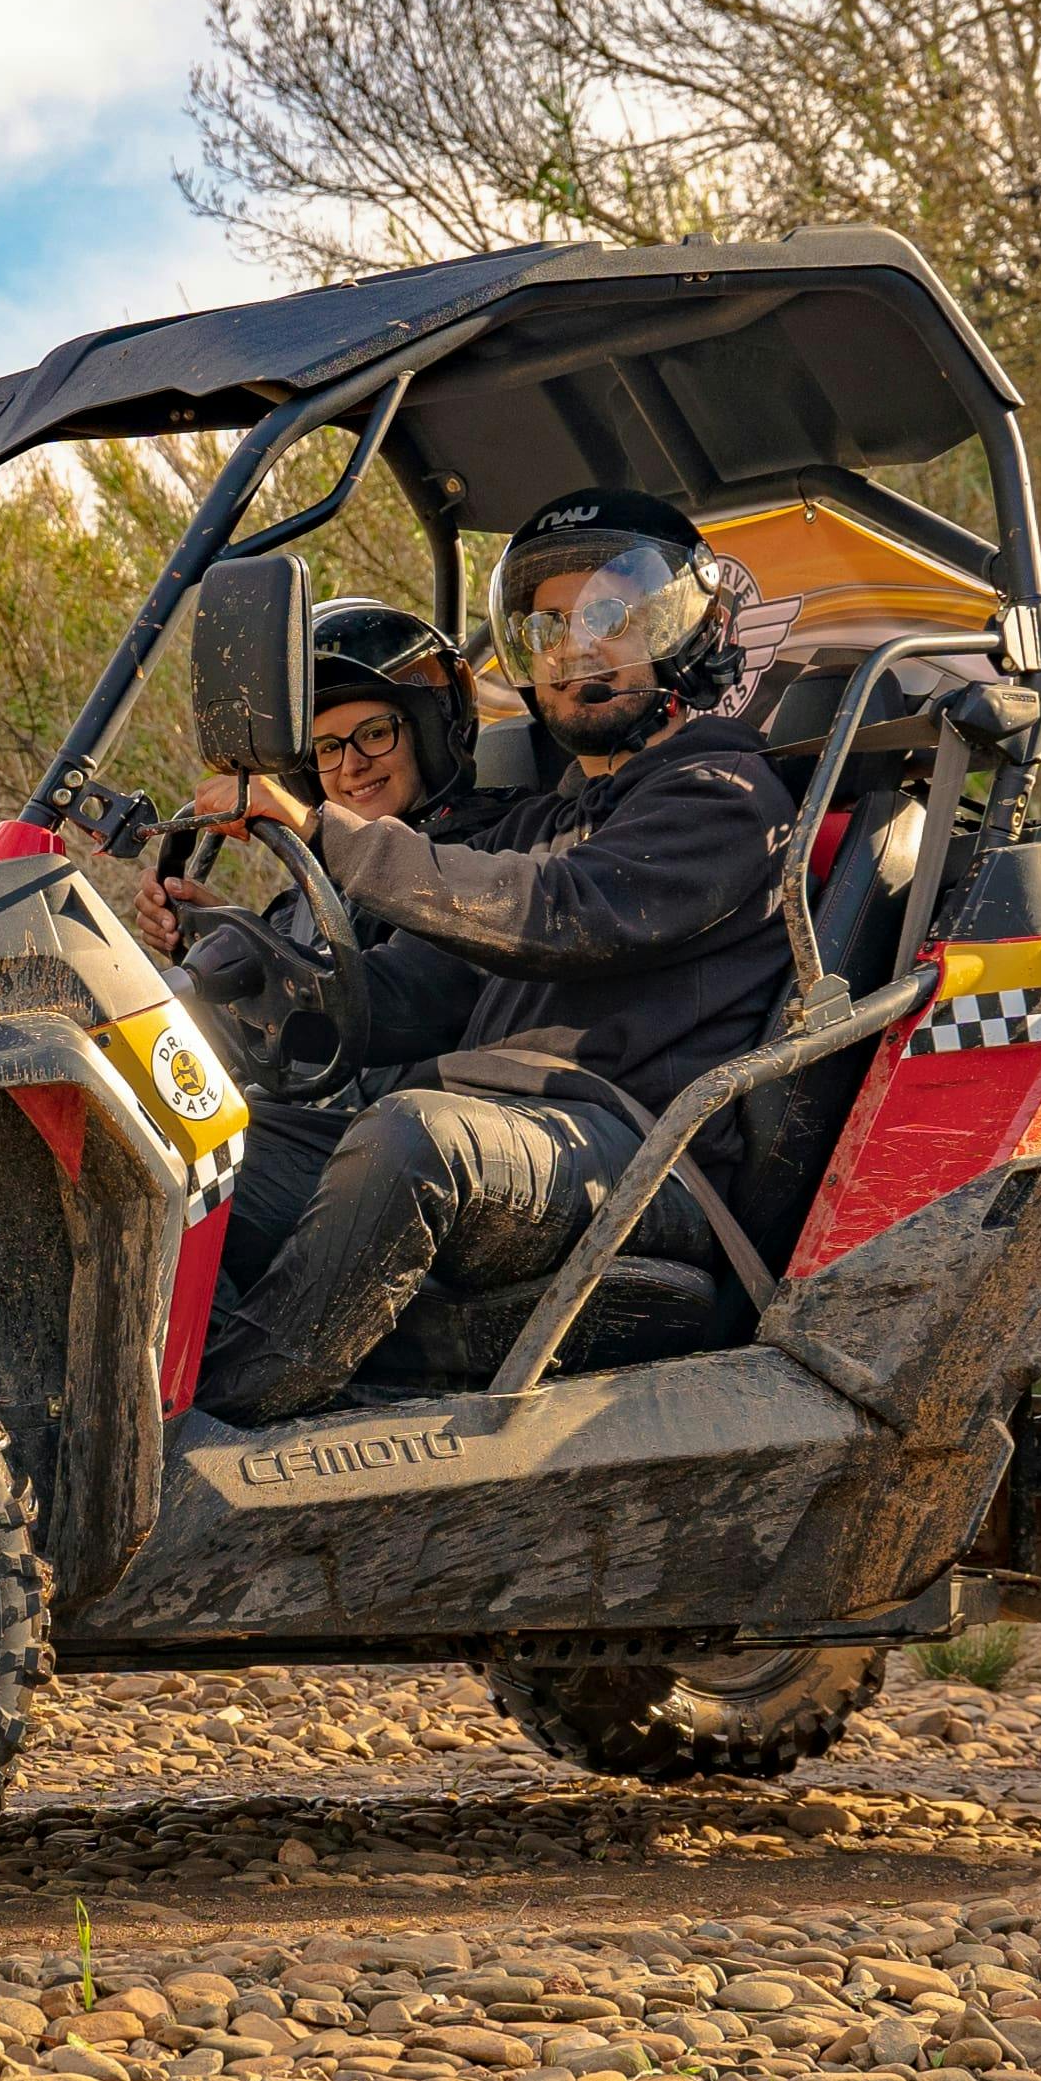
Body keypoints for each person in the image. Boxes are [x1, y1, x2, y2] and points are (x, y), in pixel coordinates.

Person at [184, 490, 796, 1427]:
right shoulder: (543, 821)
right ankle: (161, 1389)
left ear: (687, 630)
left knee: (413, 1137)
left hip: (641, 1159)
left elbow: (555, 912)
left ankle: (216, 1427)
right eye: (548, 625)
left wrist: (321, 827)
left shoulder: (721, 794)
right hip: (511, 1136)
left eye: (607, 617)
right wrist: (231, 967)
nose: (575, 647)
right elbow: (412, 993)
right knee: (215, 1135)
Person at [132, 601, 507, 1298]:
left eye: (373, 733)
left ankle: (176, 1397)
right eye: (326, 749)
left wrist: (258, 963)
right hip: (333, 1138)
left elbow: (406, 996)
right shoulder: (316, 887)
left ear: (429, 731)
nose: (351, 766)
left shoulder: (486, 857)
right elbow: (291, 987)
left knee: (178, 1163)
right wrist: (209, 936)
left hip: (416, 1159)